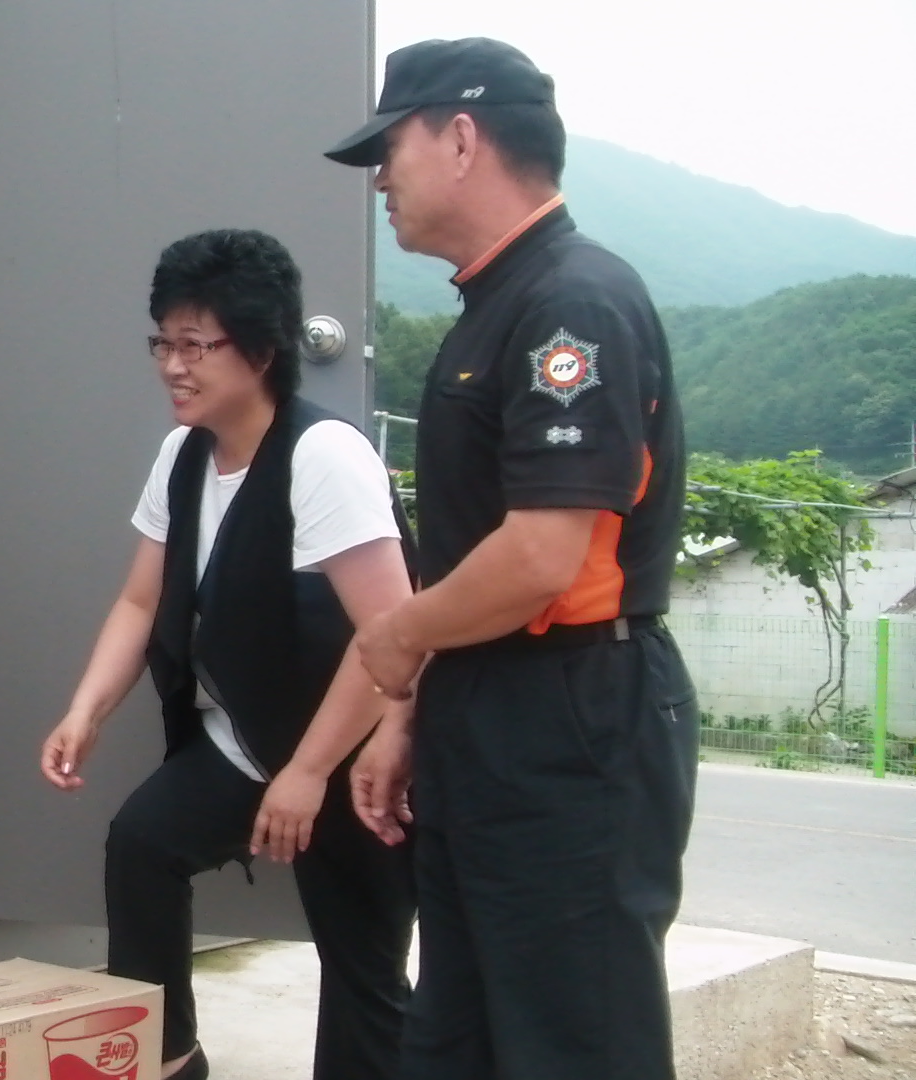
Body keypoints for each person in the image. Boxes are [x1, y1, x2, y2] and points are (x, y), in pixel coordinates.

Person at [325, 38, 701, 1080]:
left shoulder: (571, 304)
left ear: (461, 137)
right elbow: (475, 549)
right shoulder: (496, 305)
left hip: (573, 714)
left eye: (388, 151)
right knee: (461, 1036)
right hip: (492, 706)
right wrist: (410, 714)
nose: (378, 182)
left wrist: (396, 638)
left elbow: (543, 555)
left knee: (573, 1038)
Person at [40, 230, 418, 1080]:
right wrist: (86, 710)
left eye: (195, 346)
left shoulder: (323, 456)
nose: (173, 366)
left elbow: (389, 636)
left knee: (363, 968)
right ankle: (169, 1059)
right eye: (162, 343)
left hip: (357, 749)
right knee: (144, 843)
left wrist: (309, 772)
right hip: (249, 738)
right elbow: (141, 600)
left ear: (261, 350)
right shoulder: (184, 457)